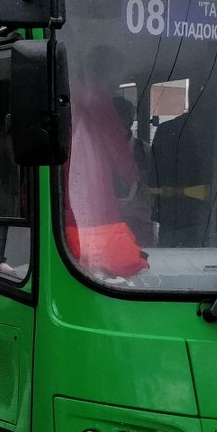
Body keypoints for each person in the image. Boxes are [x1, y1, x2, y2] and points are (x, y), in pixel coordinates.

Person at [64, 46, 149, 279]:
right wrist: (134, 176)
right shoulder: (99, 99)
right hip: (92, 180)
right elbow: (121, 157)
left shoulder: (70, 94)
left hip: (67, 177)